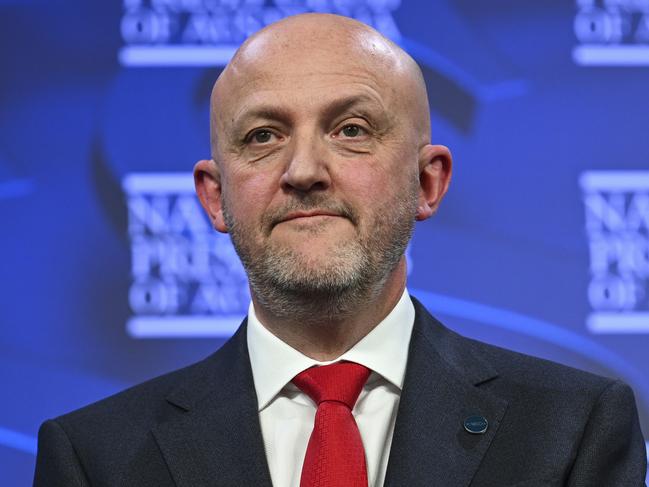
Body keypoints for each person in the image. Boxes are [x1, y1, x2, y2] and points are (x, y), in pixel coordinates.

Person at [34, 13, 646, 487]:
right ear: (215, 198)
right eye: (263, 136)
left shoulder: (573, 429)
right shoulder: (95, 458)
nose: (304, 170)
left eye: (352, 130)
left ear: (427, 182)